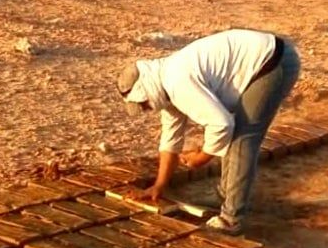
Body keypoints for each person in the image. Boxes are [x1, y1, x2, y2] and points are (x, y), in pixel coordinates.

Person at [116, 28, 300, 234]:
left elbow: (221, 124)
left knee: (243, 138)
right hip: (268, 58)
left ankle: (231, 219)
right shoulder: (164, 88)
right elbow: (170, 140)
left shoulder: (177, 82)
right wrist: (159, 185)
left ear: (147, 88)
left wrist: (203, 157)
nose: (147, 109)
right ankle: (224, 197)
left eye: (144, 104)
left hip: (273, 62)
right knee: (236, 134)